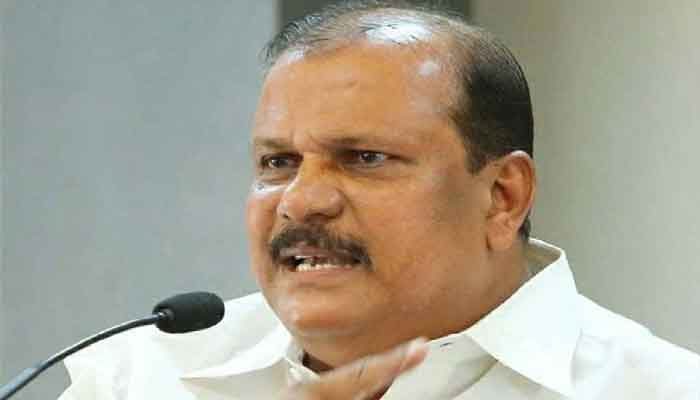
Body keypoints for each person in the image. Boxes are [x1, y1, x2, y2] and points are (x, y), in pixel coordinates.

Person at [59, 2, 699, 399]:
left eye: (364, 158)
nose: (302, 201)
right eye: (278, 163)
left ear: (503, 197)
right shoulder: (134, 379)